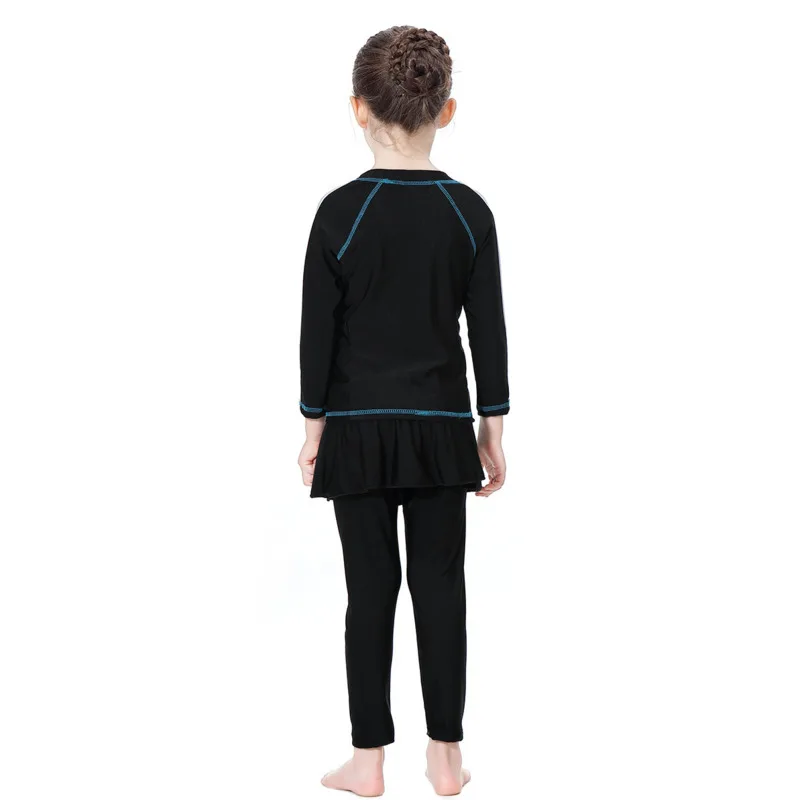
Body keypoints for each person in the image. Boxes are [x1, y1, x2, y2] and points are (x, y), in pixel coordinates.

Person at [297, 25, 509, 797]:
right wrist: (490, 427)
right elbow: (487, 329)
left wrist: (313, 428)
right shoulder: (467, 211)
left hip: (356, 431)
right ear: (445, 110)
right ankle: (446, 757)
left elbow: (318, 332)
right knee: (442, 588)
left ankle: (368, 761)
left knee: (370, 594)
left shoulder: (340, 212)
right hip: (439, 432)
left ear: (358, 108)